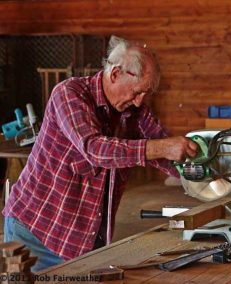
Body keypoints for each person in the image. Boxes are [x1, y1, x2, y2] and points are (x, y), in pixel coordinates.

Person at [2, 36, 198, 272]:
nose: (139, 102)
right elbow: (95, 150)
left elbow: (168, 150)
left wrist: (201, 170)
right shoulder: (69, 94)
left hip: (84, 241)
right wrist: (161, 147)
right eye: (137, 92)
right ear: (115, 74)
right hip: (36, 232)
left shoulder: (134, 111)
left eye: (146, 94)